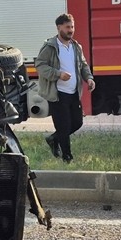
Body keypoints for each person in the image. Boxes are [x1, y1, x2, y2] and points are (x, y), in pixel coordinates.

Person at [36, 13, 95, 163]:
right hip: (57, 94)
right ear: (59, 27)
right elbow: (40, 65)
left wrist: (88, 78)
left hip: (74, 92)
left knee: (77, 123)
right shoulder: (50, 46)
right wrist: (58, 74)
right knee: (64, 125)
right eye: (67, 27)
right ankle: (67, 157)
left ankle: (53, 139)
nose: (71, 30)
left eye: (72, 27)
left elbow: (83, 65)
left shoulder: (76, 47)